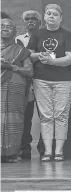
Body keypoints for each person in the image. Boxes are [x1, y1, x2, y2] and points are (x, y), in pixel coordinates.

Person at [27, 4, 71, 162]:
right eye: (48, 13)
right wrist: (40, 55)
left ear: (61, 18)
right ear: (44, 16)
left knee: (61, 116)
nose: (51, 16)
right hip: (41, 79)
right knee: (46, 116)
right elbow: (28, 54)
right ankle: (48, 152)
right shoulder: (37, 33)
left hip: (63, 80)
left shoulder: (66, 35)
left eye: (55, 14)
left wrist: (52, 61)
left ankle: (59, 151)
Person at [1, 17, 34, 163]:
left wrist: (13, 67)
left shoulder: (21, 50)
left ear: (15, 32)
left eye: (9, 26)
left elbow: (29, 71)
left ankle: (11, 153)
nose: (5, 28)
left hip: (15, 89)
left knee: (14, 119)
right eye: (2, 25)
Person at [16, 10, 44, 159]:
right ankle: (23, 147)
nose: (30, 21)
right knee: (24, 116)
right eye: (27, 19)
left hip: (42, 80)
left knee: (44, 116)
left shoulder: (45, 36)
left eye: (34, 18)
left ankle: (44, 147)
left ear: (40, 21)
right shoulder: (17, 39)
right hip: (23, 82)